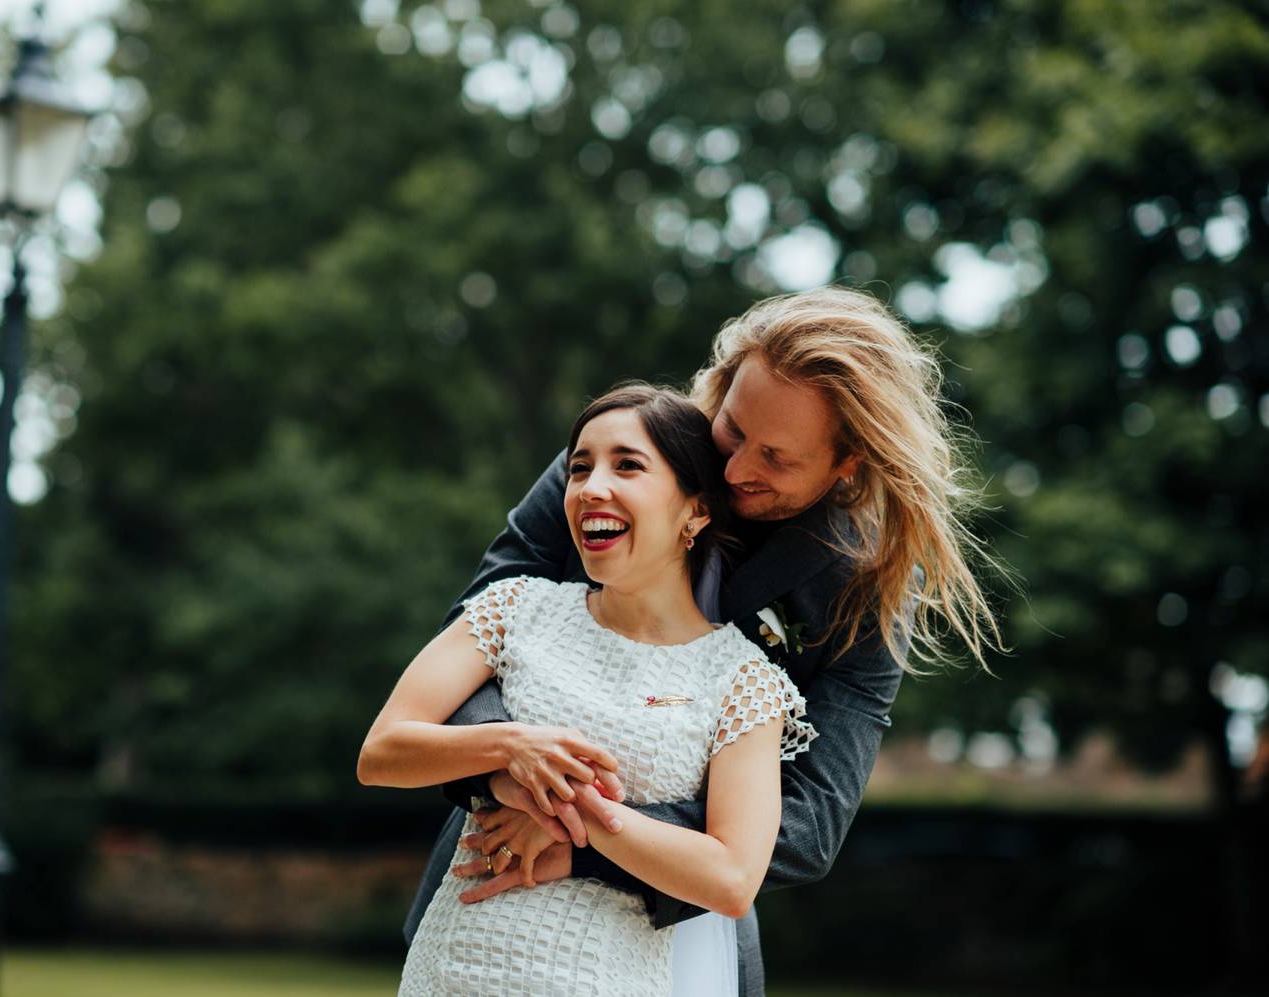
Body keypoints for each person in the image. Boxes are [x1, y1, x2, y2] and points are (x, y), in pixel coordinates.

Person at [403, 286, 1007, 996]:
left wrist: (582, 834)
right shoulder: (615, 462)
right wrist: (513, 775)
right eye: (732, 427)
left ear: (847, 463)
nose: (734, 469)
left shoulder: (864, 591)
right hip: (494, 881)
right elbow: (474, 633)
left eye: (776, 457)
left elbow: (808, 825)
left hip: (677, 930)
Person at [360, 384, 819, 995]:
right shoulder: (514, 607)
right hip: (454, 967)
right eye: (580, 468)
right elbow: (381, 753)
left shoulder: (744, 682)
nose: (590, 487)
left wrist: (577, 817)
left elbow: (732, 879)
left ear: (697, 509)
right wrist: (508, 747)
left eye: (627, 465)